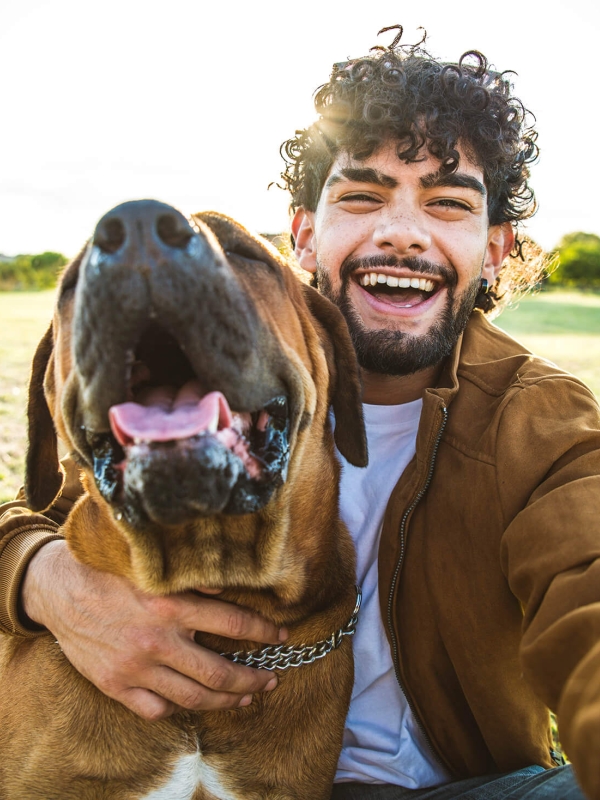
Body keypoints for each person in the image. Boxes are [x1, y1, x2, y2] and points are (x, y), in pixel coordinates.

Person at [1, 26, 600, 800]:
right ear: (305, 234)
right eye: (362, 195)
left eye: (449, 204)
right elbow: (37, 505)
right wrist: (42, 578)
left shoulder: (545, 426)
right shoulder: (194, 395)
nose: (401, 231)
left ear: (494, 248)